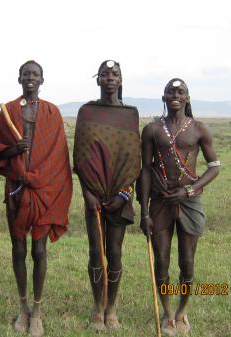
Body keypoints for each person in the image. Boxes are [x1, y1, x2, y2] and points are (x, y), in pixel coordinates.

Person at [0, 60, 73, 337]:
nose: (30, 78)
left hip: (44, 190)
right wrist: (14, 150)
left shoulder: (52, 112)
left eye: (35, 75)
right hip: (16, 189)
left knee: (39, 251)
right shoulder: (9, 111)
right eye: (26, 74)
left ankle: (37, 311)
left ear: (42, 79)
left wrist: (52, 186)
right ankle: (23, 306)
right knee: (18, 249)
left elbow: (59, 156)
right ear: (19, 78)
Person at [139, 78, 220, 336]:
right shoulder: (151, 129)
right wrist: (144, 212)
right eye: (171, 92)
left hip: (190, 201)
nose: (175, 95)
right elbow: (145, 170)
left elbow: (214, 166)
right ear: (163, 97)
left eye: (180, 92)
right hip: (160, 203)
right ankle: (167, 311)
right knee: (161, 261)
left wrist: (189, 190)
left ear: (187, 97)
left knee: (187, 262)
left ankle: (182, 311)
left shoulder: (198, 129)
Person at [73, 60, 141, 330]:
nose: (110, 78)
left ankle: (111, 308)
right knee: (94, 251)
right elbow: (80, 157)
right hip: (93, 195)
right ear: (98, 80)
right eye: (105, 74)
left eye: (115, 74)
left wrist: (124, 195)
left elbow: (134, 159)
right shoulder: (86, 112)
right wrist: (87, 193)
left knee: (114, 251)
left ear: (121, 80)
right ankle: (97, 306)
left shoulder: (131, 114)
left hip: (119, 196)